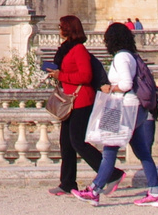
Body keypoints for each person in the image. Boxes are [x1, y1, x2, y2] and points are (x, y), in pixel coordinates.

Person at [78, 22, 158, 207]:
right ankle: (155, 192)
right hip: (131, 107)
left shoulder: (121, 57)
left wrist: (110, 88)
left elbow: (126, 84)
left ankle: (95, 190)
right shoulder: (130, 56)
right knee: (142, 153)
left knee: (109, 150)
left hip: (122, 107)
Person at [42, 15, 121, 198]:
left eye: (61, 26)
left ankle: (112, 174)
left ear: (69, 29)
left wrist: (61, 76)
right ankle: (67, 183)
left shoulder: (78, 50)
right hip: (70, 100)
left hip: (81, 101)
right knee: (66, 143)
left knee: (78, 142)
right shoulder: (67, 49)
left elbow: (85, 76)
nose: (59, 29)